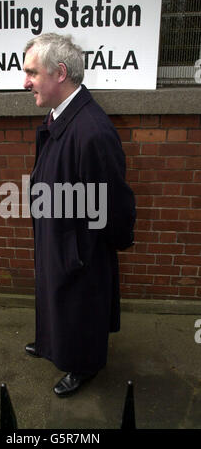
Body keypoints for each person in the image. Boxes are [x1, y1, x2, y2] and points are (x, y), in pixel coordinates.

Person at [23, 33, 136, 397]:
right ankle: (49, 343)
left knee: (79, 308)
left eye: (32, 73)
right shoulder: (60, 115)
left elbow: (114, 204)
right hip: (58, 237)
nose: (26, 82)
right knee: (55, 298)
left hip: (79, 250)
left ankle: (84, 366)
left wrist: (84, 249)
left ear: (59, 73)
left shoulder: (91, 131)